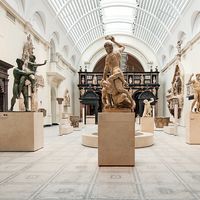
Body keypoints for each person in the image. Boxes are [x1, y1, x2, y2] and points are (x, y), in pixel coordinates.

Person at [102, 36, 134, 109]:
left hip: (114, 72)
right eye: (105, 49)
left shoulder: (109, 56)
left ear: (110, 48)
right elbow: (123, 46)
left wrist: (103, 78)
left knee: (118, 89)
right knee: (116, 89)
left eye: (106, 49)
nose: (106, 50)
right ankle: (114, 104)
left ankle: (131, 102)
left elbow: (106, 69)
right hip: (119, 71)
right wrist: (114, 41)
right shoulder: (118, 52)